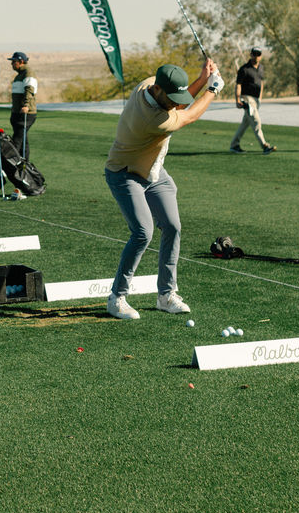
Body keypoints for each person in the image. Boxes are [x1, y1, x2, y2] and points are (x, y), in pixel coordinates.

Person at [104, 59, 224, 320]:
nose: (174, 102)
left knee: (172, 226)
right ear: (157, 90)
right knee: (142, 232)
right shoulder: (154, 119)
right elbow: (189, 114)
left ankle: (166, 295)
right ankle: (117, 298)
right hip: (125, 173)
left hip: (153, 171)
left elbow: (180, 101)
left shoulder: (148, 84)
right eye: (170, 97)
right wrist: (212, 90)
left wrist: (203, 78)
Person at [230, 48, 276, 154]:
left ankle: (234, 145)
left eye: (258, 54)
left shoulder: (261, 68)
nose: (256, 56)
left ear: (261, 56)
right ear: (250, 55)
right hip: (247, 98)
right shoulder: (244, 69)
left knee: (245, 124)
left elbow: (261, 82)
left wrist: (260, 98)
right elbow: (238, 85)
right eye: (254, 54)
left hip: (256, 99)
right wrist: (237, 99)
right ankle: (264, 146)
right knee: (256, 121)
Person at [8, 50, 37, 158]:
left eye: (13, 61)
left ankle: (10, 165)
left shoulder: (28, 73)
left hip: (25, 113)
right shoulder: (19, 75)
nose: (11, 64)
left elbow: (29, 90)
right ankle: (24, 166)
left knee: (17, 141)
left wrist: (26, 105)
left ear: (20, 61)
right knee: (23, 141)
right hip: (17, 112)